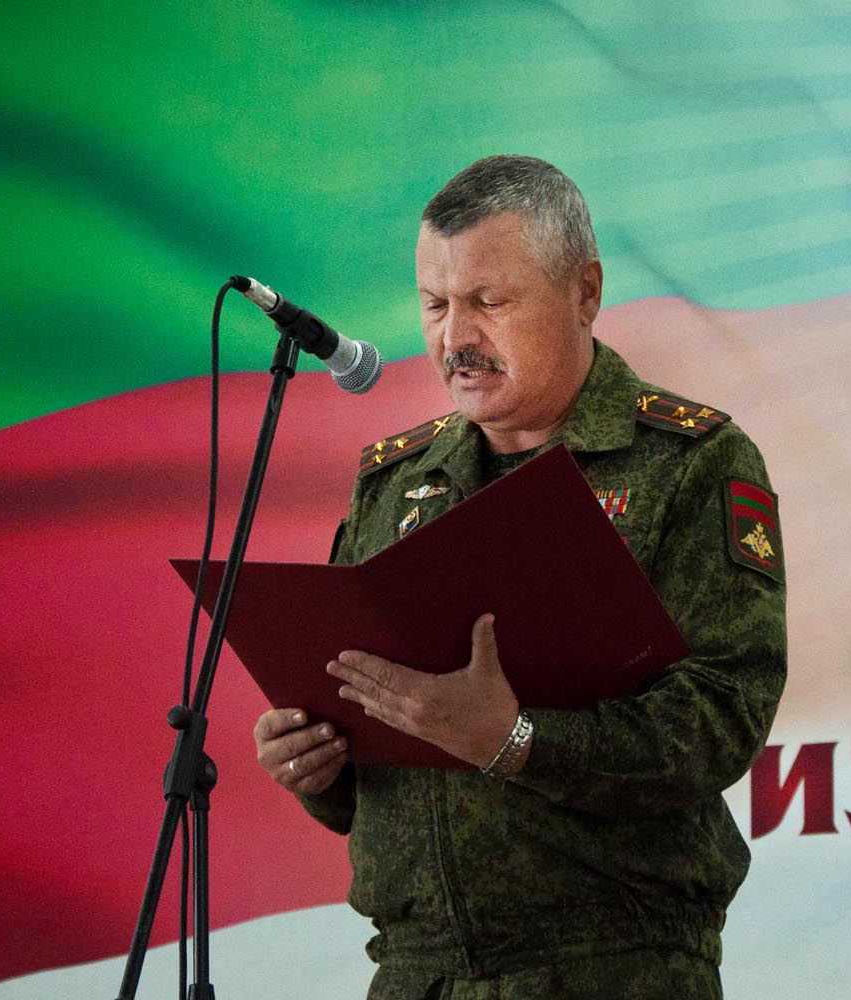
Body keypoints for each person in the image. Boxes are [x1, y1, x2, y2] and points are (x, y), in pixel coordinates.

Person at [252, 154, 787, 999]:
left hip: (612, 964)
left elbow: (724, 714)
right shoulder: (393, 482)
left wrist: (516, 741)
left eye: (489, 302)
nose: (454, 337)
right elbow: (362, 779)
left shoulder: (690, 461)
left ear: (585, 291)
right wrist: (316, 763)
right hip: (416, 972)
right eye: (436, 305)